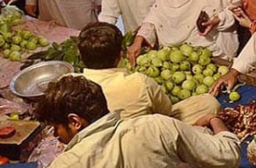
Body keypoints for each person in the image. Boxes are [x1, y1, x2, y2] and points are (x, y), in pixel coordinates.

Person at [37, 75, 241, 168]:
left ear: (75, 121)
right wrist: (214, 121)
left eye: (56, 127)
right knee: (200, 135)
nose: (55, 135)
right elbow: (229, 156)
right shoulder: (155, 125)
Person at [78, 22, 221, 124]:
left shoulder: (71, 85)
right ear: (120, 55)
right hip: (143, 137)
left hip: (101, 140)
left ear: (81, 55)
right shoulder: (139, 82)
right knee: (208, 102)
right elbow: (166, 111)